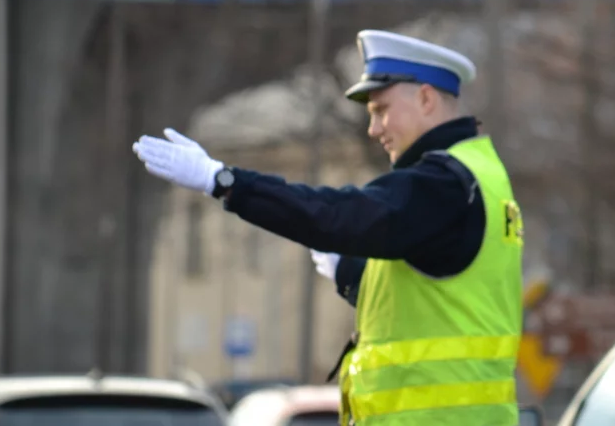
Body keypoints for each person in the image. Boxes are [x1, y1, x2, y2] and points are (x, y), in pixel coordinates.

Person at [133, 30, 525, 426]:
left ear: (425, 98)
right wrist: (351, 274)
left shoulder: (442, 184)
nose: (374, 129)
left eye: (381, 109)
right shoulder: (479, 177)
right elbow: (446, 300)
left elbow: (336, 214)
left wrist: (223, 181)